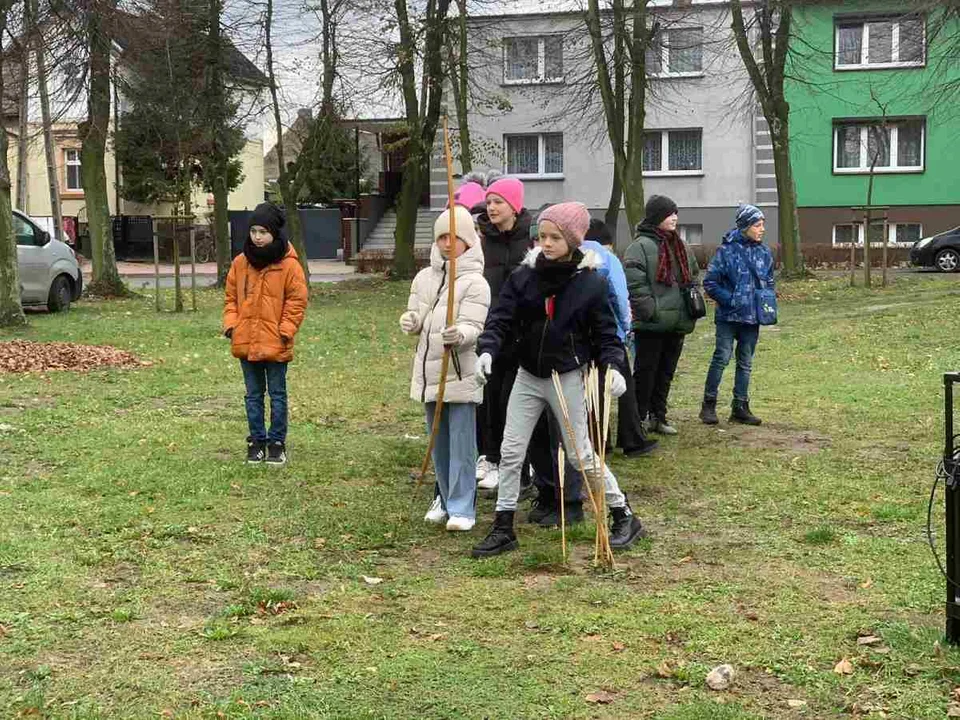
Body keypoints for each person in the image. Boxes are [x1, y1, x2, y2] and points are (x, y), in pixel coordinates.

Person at [472, 201, 647, 558]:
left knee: (581, 454)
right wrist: (488, 349)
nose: (545, 244)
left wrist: (613, 366)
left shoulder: (591, 283)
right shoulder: (524, 276)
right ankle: (504, 525)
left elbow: (606, 334)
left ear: (573, 239)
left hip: (566, 375)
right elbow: (500, 318)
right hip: (528, 374)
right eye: (541, 236)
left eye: (554, 237)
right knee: (510, 451)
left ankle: (623, 514)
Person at [400, 205, 491, 531]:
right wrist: (410, 322)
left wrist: (461, 334)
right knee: (439, 442)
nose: (446, 243)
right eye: (441, 237)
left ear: (467, 240)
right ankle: (443, 497)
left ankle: (463, 506)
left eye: (453, 237)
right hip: (429, 375)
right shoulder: (425, 278)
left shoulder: (475, 283)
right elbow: (417, 316)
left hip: (460, 374)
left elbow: (474, 325)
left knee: (462, 444)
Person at [223, 203, 308, 466]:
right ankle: (257, 441)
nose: (257, 237)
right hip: (246, 340)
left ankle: (276, 442)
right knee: (253, 395)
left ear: (274, 233)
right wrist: (232, 325)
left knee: (278, 394)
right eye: (253, 231)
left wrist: (285, 331)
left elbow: (297, 301)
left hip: (276, 342)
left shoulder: (289, 266)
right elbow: (230, 299)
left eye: (263, 232)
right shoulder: (240, 263)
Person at [623, 195, 701, 437]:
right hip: (652, 324)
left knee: (666, 373)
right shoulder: (640, 246)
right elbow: (635, 284)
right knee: (646, 374)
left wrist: (692, 299)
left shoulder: (681, 245)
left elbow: (694, 275)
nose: (675, 218)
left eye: (676, 213)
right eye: (670, 213)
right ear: (657, 217)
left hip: (677, 322)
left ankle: (659, 416)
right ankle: (639, 419)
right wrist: (651, 312)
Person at [474, 177, 533, 491]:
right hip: (491, 330)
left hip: (523, 333)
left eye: (498, 202)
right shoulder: (482, 239)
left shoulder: (532, 238)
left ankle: (522, 466)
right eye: (489, 201)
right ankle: (491, 456)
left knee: (514, 400)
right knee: (490, 399)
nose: (491, 207)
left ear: (515, 205)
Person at [583, 218, 658, 457]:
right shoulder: (609, 259)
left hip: (581, 337)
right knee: (624, 388)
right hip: (609, 336)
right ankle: (632, 439)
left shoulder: (571, 254)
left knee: (592, 389)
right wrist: (626, 328)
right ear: (607, 242)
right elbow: (619, 296)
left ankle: (597, 442)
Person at [700, 204, 774, 426]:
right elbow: (710, 283)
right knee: (721, 358)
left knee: (746, 362)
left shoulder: (764, 253)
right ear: (745, 226)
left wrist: (767, 301)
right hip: (728, 318)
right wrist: (731, 300)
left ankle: (740, 407)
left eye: (763, 225)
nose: (762, 229)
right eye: (757, 225)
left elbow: (769, 280)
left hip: (752, 319)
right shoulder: (726, 252)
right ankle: (708, 405)